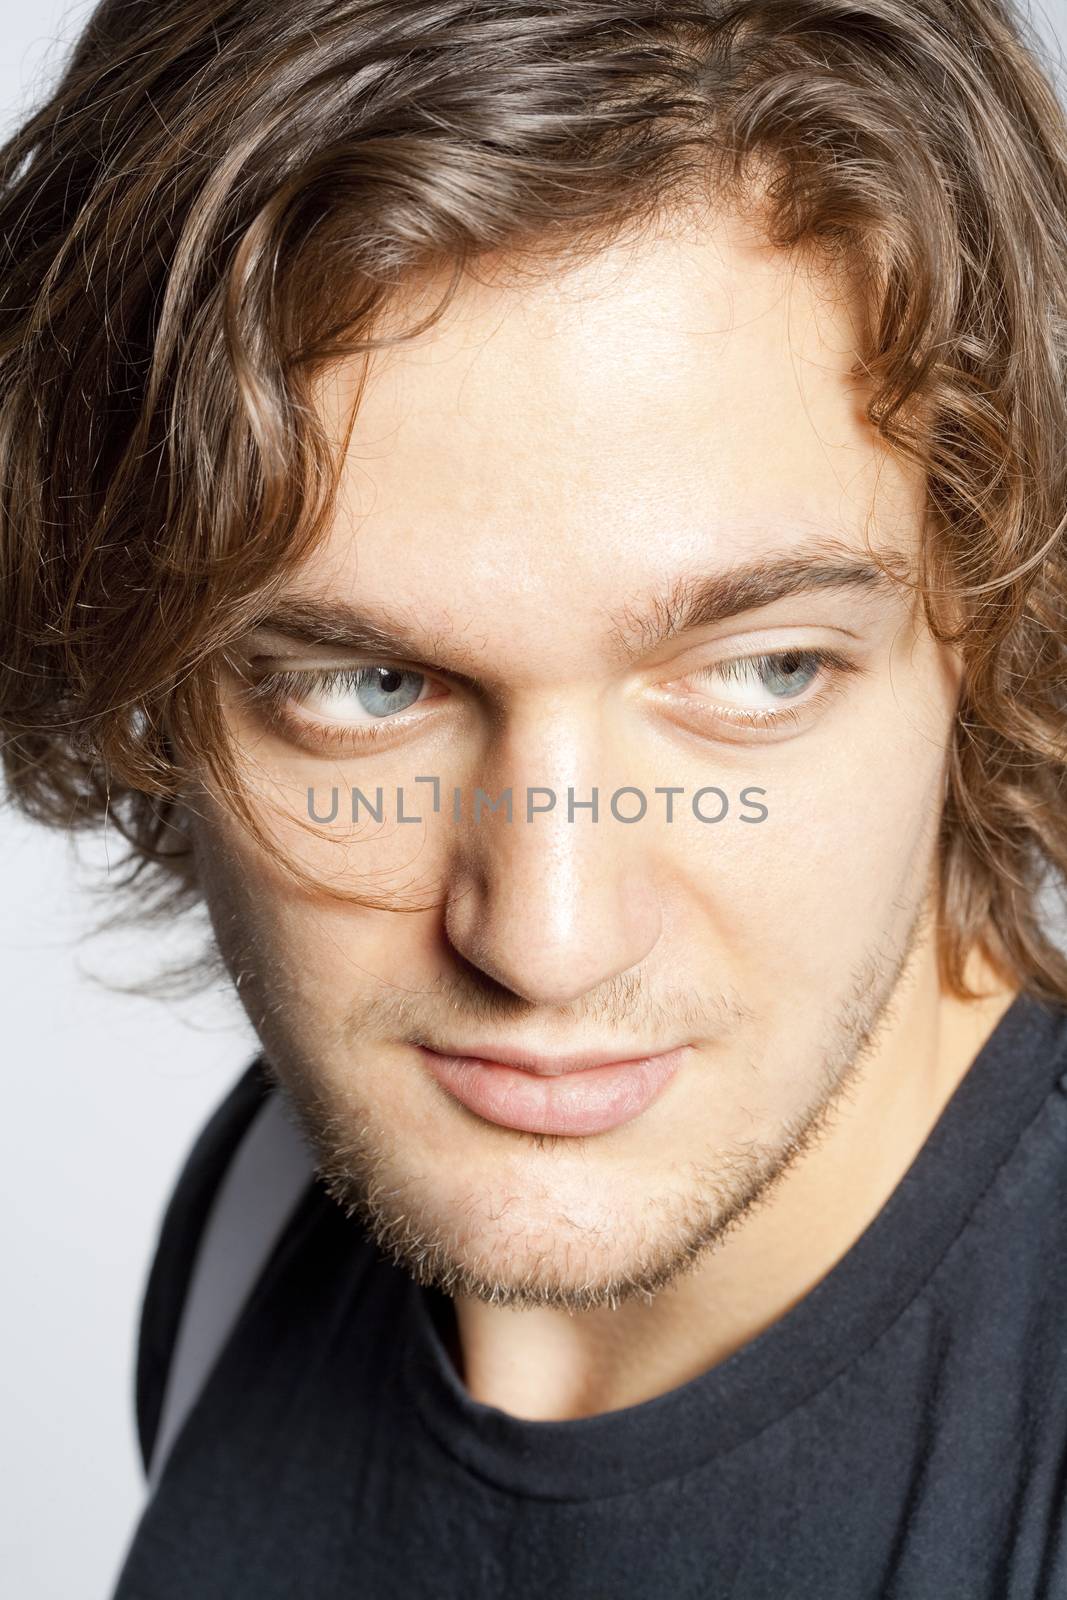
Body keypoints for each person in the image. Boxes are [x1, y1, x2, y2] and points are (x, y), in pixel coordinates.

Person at [2, 0, 1067, 1594]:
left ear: (987, 620)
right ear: (148, 666)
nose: (548, 946)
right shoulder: (265, 1221)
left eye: (762, 670)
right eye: (367, 687)